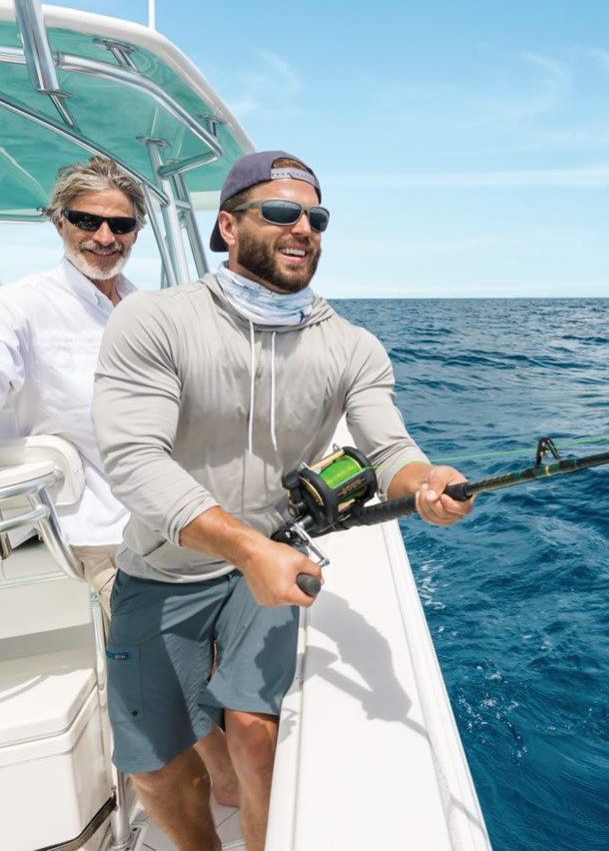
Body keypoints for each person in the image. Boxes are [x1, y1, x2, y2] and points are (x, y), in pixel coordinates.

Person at [92, 150, 474, 851]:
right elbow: (133, 458)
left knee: (256, 730)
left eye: (316, 217)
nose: (303, 227)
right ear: (229, 228)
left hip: (274, 551)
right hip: (166, 562)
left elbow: (390, 450)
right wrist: (244, 547)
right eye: (280, 211)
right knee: (150, 763)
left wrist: (424, 482)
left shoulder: (352, 346)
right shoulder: (153, 320)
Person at [0, 155, 240, 806]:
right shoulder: (19, 309)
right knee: (174, 655)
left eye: (121, 224)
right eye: (87, 220)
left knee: (245, 616)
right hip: (95, 528)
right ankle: (223, 784)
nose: (105, 238)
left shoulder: (148, 307)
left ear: (137, 229)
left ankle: (232, 766)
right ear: (59, 221)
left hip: (174, 509)